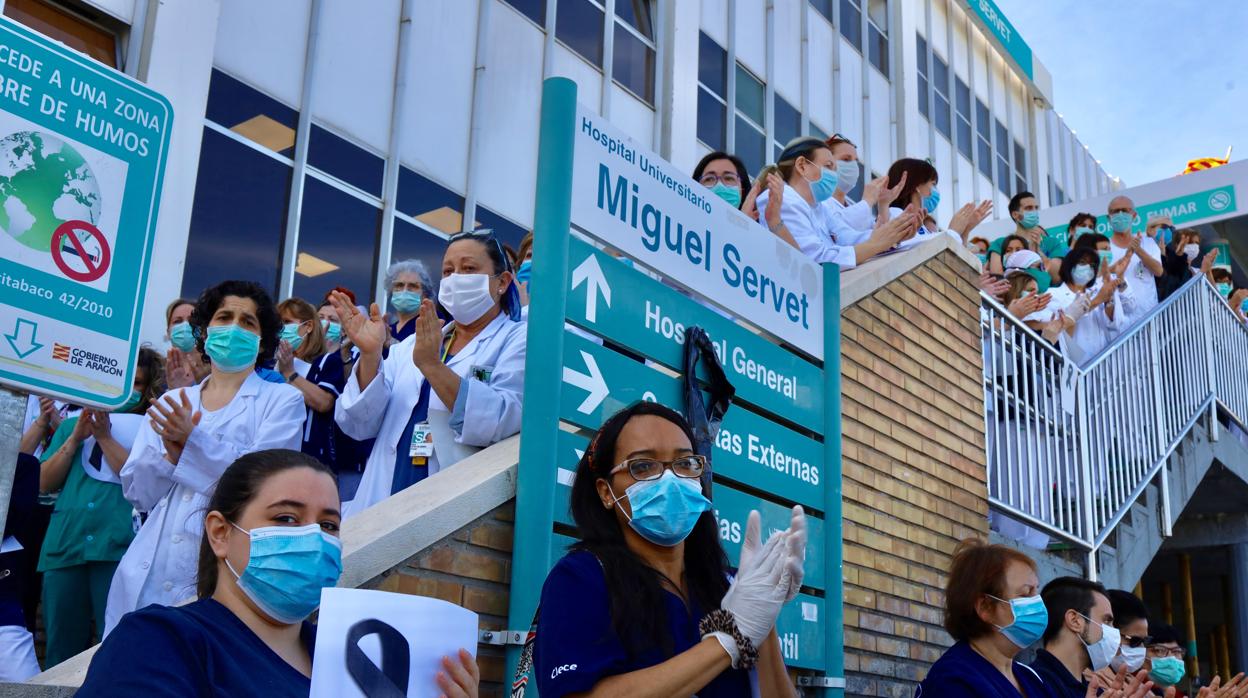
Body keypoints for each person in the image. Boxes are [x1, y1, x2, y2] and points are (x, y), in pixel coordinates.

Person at [80, 449, 481, 697]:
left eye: (328, 525)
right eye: (286, 518)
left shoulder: (353, 658)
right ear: (220, 533)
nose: (312, 537)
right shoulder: (160, 641)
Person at [533, 402, 805, 697]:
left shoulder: (728, 585)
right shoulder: (581, 578)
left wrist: (762, 616)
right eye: (643, 466)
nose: (670, 479)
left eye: (685, 463)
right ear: (605, 491)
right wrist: (728, 638)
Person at [106, 280, 306, 634]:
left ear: (263, 339)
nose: (233, 328)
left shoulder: (283, 402)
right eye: (224, 317)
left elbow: (262, 486)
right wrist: (169, 457)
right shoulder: (171, 403)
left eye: (248, 322)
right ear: (205, 331)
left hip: (218, 566)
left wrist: (192, 442)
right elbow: (139, 493)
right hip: (149, 566)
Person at [332, 230, 527, 516]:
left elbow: (504, 420)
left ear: (503, 282)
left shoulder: (518, 339)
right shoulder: (411, 345)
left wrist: (433, 367)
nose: (455, 278)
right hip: (381, 498)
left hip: (448, 507)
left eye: (469, 268)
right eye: (448, 271)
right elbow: (357, 424)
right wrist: (372, 355)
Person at [36, 348, 162, 667]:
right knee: (60, 653)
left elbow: (134, 477)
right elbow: (43, 482)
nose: (128, 390)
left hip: (118, 547)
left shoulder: (150, 428)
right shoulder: (70, 426)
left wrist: (104, 437)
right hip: (66, 547)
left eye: (137, 383)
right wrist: (75, 437)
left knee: (114, 646)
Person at [915, 539, 1052, 696]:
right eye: (1026, 593)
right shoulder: (953, 681)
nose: (1037, 603)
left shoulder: (1031, 678)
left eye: (1036, 592)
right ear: (985, 607)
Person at [764, 136, 917, 268]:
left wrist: (894, 235)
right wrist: (876, 244)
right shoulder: (782, 198)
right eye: (828, 166)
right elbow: (816, 259)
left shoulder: (819, 208)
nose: (833, 175)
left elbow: (847, 237)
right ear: (802, 166)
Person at [275, 298, 347, 472]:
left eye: (287, 322)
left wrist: (290, 374)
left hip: (308, 460)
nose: (282, 328)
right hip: (273, 453)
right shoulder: (270, 362)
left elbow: (324, 402)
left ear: (308, 326)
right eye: (279, 323)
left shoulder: (327, 362)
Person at [1030, 577, 1119, 697]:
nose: (1114, 631)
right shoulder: (1032, 684)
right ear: (1075, 621)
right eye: (1107, 620)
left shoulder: (1095, 692)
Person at [1045, 247, 1122, 365]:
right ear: (1069, 265)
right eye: (1082, 263)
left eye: (1092, 265)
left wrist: (1108, 300)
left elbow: (1114, 325)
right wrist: (1097, 300)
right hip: (1074, 366)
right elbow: (1062, 322)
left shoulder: (1096, 292)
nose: (1088, 268)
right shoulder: (1053, 294)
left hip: (1103, 366)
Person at [1106, 196, 1164, 329]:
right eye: (1115, 211)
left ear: (1134, 215)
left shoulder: (1148, 243)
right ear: (1109, 217)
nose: (1120, 215)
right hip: (1118, 324)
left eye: (1125, 210)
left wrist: (1138, 250)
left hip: (1148, 321)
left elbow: (1159, 271)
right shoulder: (1104, 248)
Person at [383, 258, 435, 342]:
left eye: (413, 286)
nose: (405, 290)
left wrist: (392, 344)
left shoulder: (432, 325)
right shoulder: (387, 330)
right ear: (391, 291)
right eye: (399, 285)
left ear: (425, 295)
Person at [165, 297, 211, 390]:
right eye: (177, 321)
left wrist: (205, 384)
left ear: (202, 330)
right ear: (168, 332)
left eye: (192, 321)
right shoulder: (155, 372)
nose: (185, 326)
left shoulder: (216, 369)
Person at [1158, 227, 1213, 301]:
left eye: (1196, 243)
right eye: (1190, 242)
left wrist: (1209, 272)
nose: (1194, 246)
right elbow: (1181, 289)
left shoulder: (1197, 271)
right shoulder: (1171, 268)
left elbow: (1214, 295)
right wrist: (1202, 271)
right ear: (1177, 245)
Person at [1107, 589, 1150, 674]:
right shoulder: (1089, 681)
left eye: (1144, 641)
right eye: (1135, 641)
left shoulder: (1129, 680)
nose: (1141, 648)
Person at [1143, 624, 1187, 696]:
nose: (1171, 657)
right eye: (1159, 650)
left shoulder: (1181, 696)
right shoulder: (1126, 691)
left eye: (1176, 651)